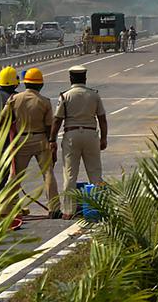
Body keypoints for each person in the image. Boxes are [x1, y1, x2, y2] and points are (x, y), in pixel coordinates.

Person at [49, 65, 108, 219]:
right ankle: (99, 208)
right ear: (85, 78)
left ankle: (69, 210)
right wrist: (104, 138)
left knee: (70, 174)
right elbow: (102, 118)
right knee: (95, 173)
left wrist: (52, 140)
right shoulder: (94, 95)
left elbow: (57, 120)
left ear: (71, 79)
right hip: (91, 135)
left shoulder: (65, 96)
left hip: (71, 135)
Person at [9, 67, 61, 218]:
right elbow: (49, 126)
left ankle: (9, 209)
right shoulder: (44, 102)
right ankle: (54, 208)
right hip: (40, 139)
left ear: (25, 83)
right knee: (48, 173)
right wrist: (52, 144)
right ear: (41, 85)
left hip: (21, 139)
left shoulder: (14, 99)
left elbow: (4, 120)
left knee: (15, 176)